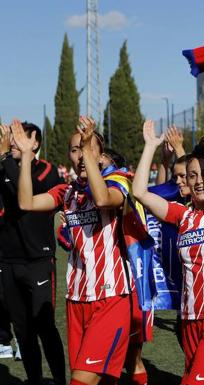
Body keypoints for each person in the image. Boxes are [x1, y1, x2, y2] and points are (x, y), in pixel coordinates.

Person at [132, 91, 204, 385]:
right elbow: (140, 193)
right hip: (191, 321)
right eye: (193, 175)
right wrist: (149, 148)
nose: (199, 181)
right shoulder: (182, 215)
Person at [16, 117, 134, 385]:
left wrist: (90, 149)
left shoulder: (118, 182)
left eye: (87, 148)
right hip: (77, 299)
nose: (81, 156)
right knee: (97, 380)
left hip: (110, 298)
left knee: (81, 380)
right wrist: (24, 156)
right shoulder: (66, 192)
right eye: (75, 149)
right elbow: (25, 202)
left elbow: (103, 199)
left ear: (100, 155)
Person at [0, 120, 66, 385]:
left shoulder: (47, 171)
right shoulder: (4, 167)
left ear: (35, 142)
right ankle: (35, 380)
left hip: (38, 259)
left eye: (19, 138)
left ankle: (60, 380)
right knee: (23, 331)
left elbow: (23, 195)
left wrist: (9, 157)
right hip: (8, 260)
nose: (13, 142)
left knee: (45, 327)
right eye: (11, 138)